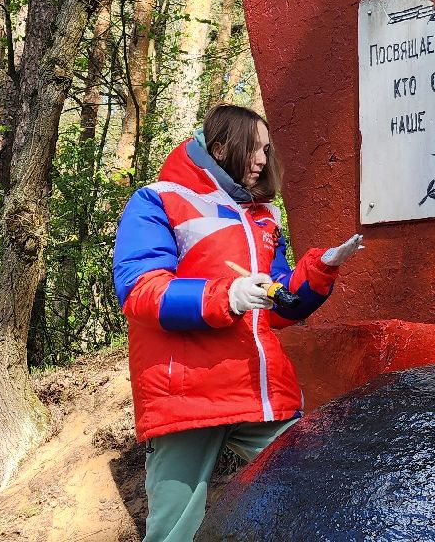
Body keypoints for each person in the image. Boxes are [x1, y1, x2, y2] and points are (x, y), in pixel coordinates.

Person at [113, 103, 365, 542]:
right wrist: (224, 296)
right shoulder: (158, 199)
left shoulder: (264, 215)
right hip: (186, 397)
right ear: (220, 147)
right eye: (255, 148)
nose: (263, 160)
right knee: (174, 531)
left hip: (258, 392)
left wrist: (320, 270)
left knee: (312, 488)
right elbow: (140, 291)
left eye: (267, 149)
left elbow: (279, 305)